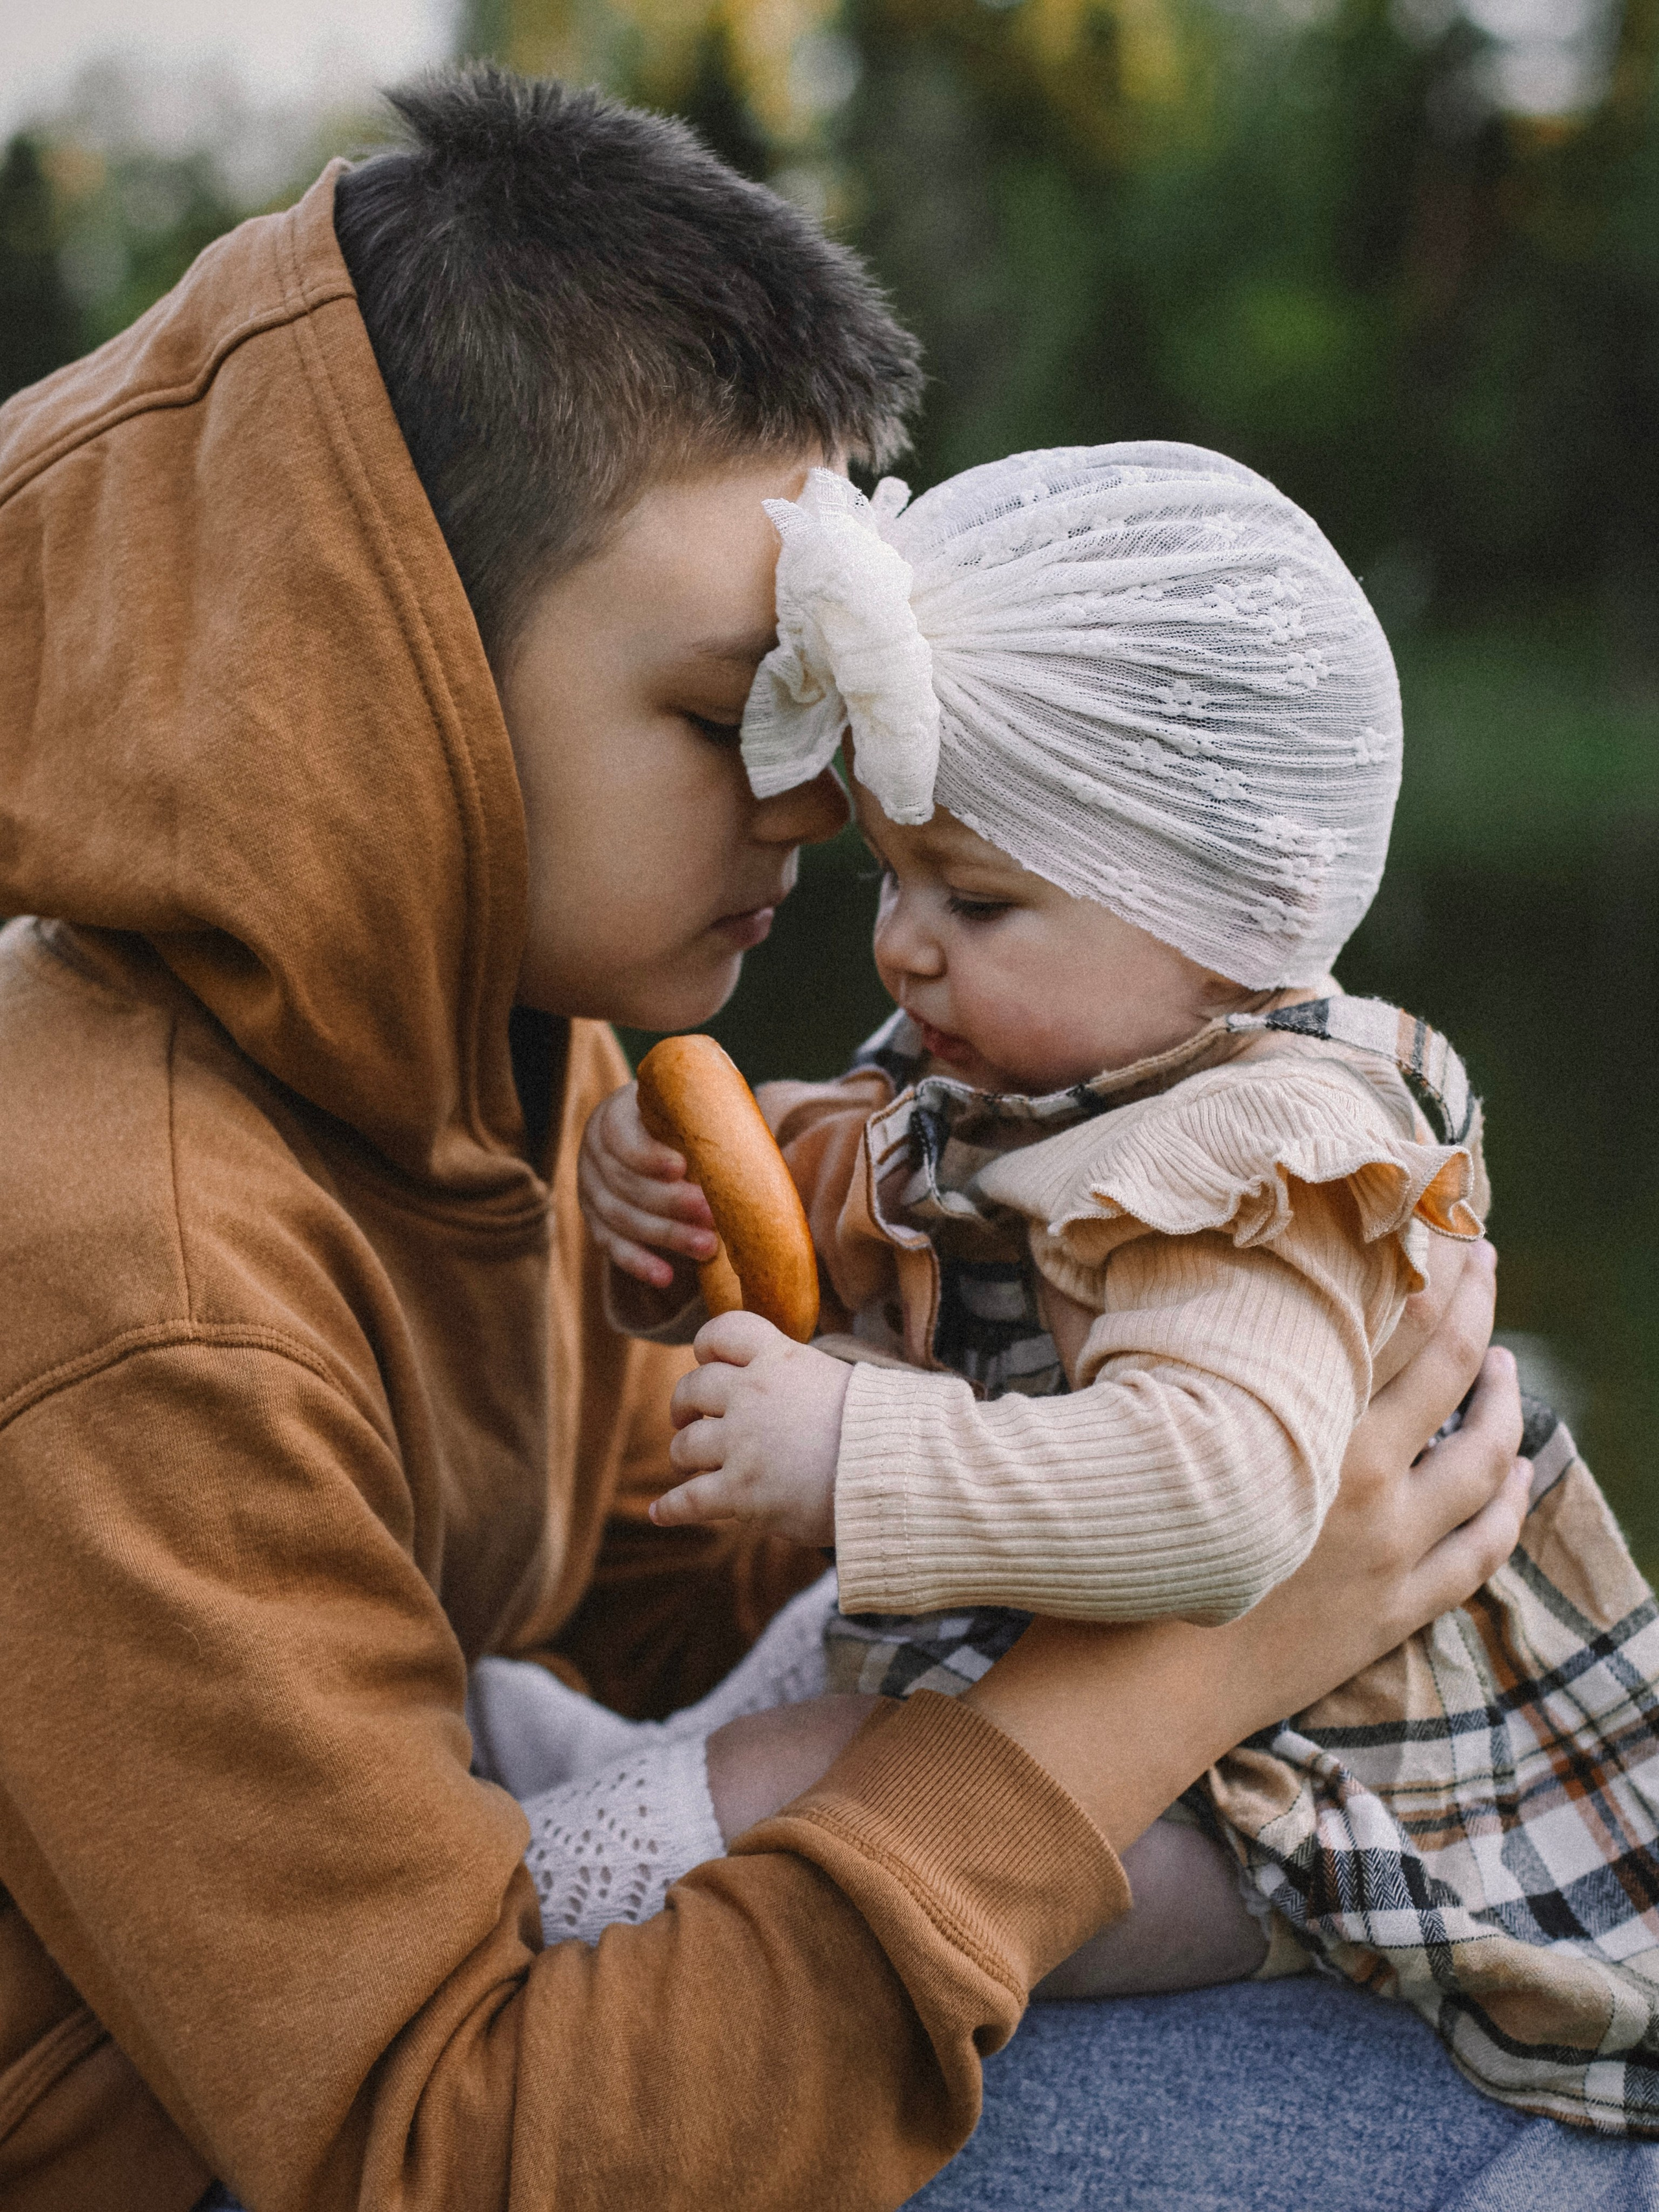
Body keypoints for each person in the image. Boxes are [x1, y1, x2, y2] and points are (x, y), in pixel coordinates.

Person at [0, 62, 1529, 2212]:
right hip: (249, 2156)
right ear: (388, 668)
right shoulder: (125, 1276)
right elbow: (448, 2147)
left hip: (434, 2020)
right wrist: (1184, 1671)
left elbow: (654, 1575)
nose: (826, 797)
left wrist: (1010, 1390)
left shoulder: (518, 1053)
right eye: (738, 712)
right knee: (1526, 2134)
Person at [583, 454, 1659, 2133]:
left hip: (1297, 1783)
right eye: (893, 879)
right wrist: (655, 1212)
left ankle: (563, 1873)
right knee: (822, 1660)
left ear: (1229, 916)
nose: (903, 946)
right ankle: (602, 1757)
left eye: (976, 898)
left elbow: (1218, 1499)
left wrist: (856, 1446)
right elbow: (814, 1232)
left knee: (835, 1780)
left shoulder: (1260, 1157)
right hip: (1116, 1681)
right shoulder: (1025, 1052)